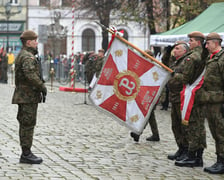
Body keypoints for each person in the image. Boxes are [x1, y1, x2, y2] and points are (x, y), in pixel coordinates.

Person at [12, 30, 47, 164]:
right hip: (27, 96)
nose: (36, 43)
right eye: (34, 41)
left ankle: (26, 152)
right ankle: (26, 153)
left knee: (26, 123)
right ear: (28, 42)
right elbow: (30, 75)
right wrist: (41, 87)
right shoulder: (27, 57)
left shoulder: (25, 55)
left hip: (25, 96)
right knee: (28, 124)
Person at [175, 31, 207, 167]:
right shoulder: (203, 55)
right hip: (201, 94)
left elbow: (186, 78)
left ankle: (192, 156)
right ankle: (197, 156)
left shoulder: (192, 57)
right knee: (199, 126)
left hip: (193, 94)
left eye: (192, 41)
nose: (190, 43)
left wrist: (175, 74)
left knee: (193, 125)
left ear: (198, 42)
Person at [202, 32, 224, 174]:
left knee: (221, 132)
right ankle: (219, 160)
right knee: (215, 132)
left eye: (208, 43)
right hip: (211, 101)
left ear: (215, 43)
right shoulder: (212, 58)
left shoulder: (222, 59)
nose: (206, 45)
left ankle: (222, 162)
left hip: (219, 102)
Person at [167, 41, 190, 161]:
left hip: (182, 98)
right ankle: (180, 148)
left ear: (184, 51)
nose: (174, 51)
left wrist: (175, 74)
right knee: (175, 125)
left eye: (177, 48)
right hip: (174, 97)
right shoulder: (176, 61)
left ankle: (186, 150)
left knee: (183, 126)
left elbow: (187, 78)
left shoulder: (186, 61)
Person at [130, 50, 160, 142]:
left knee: (146, 114)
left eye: (145, 56)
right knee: (150, 115)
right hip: (144, 93)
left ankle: (138, 133)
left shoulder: (157, 67)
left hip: (152, 94)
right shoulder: (144, 66)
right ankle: (155, 135)